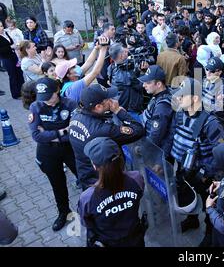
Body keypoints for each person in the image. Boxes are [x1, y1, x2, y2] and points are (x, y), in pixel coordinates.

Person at [167, 77, 224, 246]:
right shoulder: (179, 114)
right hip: (183, 170)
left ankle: (210, 233)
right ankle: (192, 220)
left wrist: (215, 178)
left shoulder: (210, 123)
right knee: (186, 197)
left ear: (194, 98)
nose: (177, 99)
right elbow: (174, 137)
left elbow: (221, 153)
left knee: (209, 207)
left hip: (204, 175)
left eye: (182, 96)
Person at [69, 84, 145, 190]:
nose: (112, 100)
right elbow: (138, 130)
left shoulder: (75, 116)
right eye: (108, 99)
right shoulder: (103, 130)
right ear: (98, 107)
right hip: (105, 182)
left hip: (87, 176)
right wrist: (119, 111)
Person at [28, 77, 78, 231]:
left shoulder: (70, 104)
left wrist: (49, 133)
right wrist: (62, 131)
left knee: (85, 176)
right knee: (57, 184)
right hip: (48, 151)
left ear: (57, 90)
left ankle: (95, 208)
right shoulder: (36, 106)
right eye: (44, 98)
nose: (47, 101)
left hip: (70, 148)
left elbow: (76, 130)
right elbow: (36, 136)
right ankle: (64, 212)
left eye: (50, 96)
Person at [78, 137, 146, 247]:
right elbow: (140, 194)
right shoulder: (137, 178)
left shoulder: (87, 197)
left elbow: (86, 222)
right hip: (135, 239)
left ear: (95, 166)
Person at [55, 38, 108, 103]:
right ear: (68, 75)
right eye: (73, 67)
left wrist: (96, 48)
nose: (76, 66)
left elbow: (88, 63)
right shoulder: (74, 87)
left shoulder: (72, 78)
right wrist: (103, 50)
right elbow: (95, 72)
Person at [139, 65, 174, 155]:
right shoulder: (159, 95)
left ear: (158, 84)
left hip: (157, 151)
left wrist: (144, 150)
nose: (143, 85)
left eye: (148, 83)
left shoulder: (162, 106)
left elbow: (156, 135)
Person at [107, 42, 147, 114]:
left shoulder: (111, 67)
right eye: (124, 52)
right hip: (128, 107)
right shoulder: (126, 75)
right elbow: (141, 85)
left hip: (119, 102)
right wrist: (143, 72)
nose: (127, 53)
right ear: (121, 55)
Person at [0, 21, 24, 98]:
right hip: (6, 58)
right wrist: (11, 47)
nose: (2, 28)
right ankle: (15, 94)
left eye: (1, 26)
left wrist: (15, 46)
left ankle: (23, 91)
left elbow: (11, 43)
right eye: (0, 27)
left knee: (19, 73)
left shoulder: (5, 33)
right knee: (12, 75)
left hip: (14, 56)